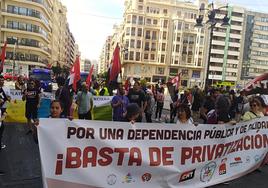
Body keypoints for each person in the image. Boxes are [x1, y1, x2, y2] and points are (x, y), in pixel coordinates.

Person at [0, 75, 10, 150]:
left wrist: (6, 99)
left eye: (2, 80)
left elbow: (8, 99)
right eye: (0, 80)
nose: (1, 81)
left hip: (3, 108)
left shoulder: (4, 88)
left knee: (1, 126)